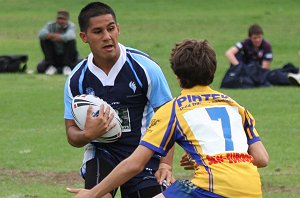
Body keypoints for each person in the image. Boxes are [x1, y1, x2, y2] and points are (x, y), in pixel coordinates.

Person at [67, 39, 270, 198]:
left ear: (177, 76)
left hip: (208, 188)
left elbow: (134, 164)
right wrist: (219, 159)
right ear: (213, 71)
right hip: (251, 189)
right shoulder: (236, 107)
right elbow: (262, 159)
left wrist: (92, 194)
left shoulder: (173, 109)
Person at [64, 2, 174, 198]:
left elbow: (169, 118)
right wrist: (88, 134)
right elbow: (71, 133)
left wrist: (165, 164)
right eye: (98, 31)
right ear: (84, 37)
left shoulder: (145, 68)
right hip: (102, 154)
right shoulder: (77, 79)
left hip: (144, 152)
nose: (107, 37)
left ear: (118, 29)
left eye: (111, 28)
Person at [224, 23, 300, 87]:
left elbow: (264, 68)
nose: (257, 40)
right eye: (255, 38)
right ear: (250, 37)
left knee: (274, 75)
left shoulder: (266, 46)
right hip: (246, 70)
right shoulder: (245, 43)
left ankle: (293, 78)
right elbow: (229, 53)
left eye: (259, 37)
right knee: (238, 55)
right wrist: (240, 67)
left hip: (260, 73)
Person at [37, 10, 80, 75]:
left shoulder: (71, 25)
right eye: (59, 18)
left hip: (68, 57)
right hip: (54, 56)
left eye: (63, 19)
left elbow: (70, 36)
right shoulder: (50, 25)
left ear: (67, 20)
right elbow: (41, 34)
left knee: (71, 41)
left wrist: (52, 36)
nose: (60, 21)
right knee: (40, 68)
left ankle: (66, 66)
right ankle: (52, 66)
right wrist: (58, 37)